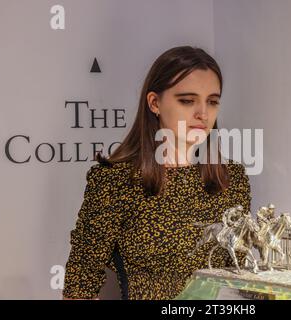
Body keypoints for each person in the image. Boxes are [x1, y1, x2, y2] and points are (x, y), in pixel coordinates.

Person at [62, 46, 251, 300]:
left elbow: (242, 280)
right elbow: (79, 288)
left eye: (212, 101)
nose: (203, 113)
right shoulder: (115, 181)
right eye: (187, 100)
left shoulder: (232, 180)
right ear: (154, 103)